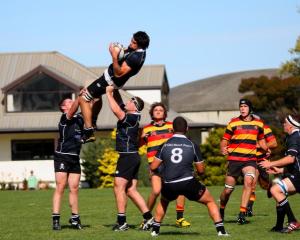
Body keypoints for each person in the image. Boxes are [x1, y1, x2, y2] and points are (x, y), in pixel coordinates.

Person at [150, 116, 228, 237]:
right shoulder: (192, 145)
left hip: (169, 183)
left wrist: (165, 172)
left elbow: (153, 167)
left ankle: (155, 230)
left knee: (164, 201)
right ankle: (221, 231)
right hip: (188, 182)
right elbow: (201, 170)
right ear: (187, 128)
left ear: (172, 129)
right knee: (210, 201)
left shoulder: (164, 145)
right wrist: (197, 174)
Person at [78, 31, 150, 143]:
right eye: (131, 40)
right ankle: (93, 120)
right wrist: (116, 49)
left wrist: (114, 56)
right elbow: (125, 52)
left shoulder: (136, 57)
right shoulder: (137, 50)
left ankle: (88, 131)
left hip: (109, 80)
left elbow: (118, 73)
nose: (130, 43)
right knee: (96, 97)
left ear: (139, 45)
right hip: (111, 79)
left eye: (133, 42)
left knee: (83, 98)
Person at [106, 86, 153, 231]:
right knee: (131, 190)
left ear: (135, 106)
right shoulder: (133, 115)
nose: (128, 101)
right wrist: (116, 89)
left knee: (118, 187)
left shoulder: (131, 117)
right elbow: (119, 103)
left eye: (131, 100)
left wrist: (108, 93)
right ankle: (149, 218)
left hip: (127, 156)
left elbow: (116, 110)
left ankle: (122, 222)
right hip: (132, 156)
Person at [219, 99, 269, 224]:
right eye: (241, 106)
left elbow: (262, 140)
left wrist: (266, 149)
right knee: (228, 190)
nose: (242, 108)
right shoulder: (233, 123)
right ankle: (221, 210)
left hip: (250, 160)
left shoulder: (259, 124)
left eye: (245, 106)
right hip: (234, 160)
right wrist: (222, 148)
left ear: (250, 108)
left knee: (249, 181)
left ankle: (242, 214)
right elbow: (224, 140)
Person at [140, 102, 191, 227]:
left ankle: (180, 218)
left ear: (164, 113)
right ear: (152, 113)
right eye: (155, 110)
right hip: (155, 165)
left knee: (180, 189)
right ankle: (146, 218)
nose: (158, 111)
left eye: (160, 110)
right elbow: (139, 144)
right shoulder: (146, 129)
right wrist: (142, 138)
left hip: (171, 165)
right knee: (156, 191)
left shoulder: (171, 127)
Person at [259, 115, 300, 233]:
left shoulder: (294, 137)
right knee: (279, 194)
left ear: (291, 125)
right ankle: (279, 226)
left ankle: (293, 221)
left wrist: (270, 164)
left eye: (285, 123)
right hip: (296, 173)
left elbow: (291, 159)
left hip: (298, 176)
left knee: (275, 190)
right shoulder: (294, 136)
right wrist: (280, 170)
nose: (283, 124)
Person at [52, 97, 84, 230]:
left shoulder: (79, 119)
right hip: (62, 156)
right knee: (60, 187)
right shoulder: (65, 117)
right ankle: (56, 219)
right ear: (63, 107)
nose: (72, 103)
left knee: (74, 188)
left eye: (72, 101)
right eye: (69, 102)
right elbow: (76, 106)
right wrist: (80, 97)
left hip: (75, 157)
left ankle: (75, 219)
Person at [246, 120, 278, 216]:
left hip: (263, 161)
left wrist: (261, 146)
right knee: (252, 184)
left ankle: (275, 190)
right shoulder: (247, 130)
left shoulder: (265, 129)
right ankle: (249, 209)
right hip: (252, 160)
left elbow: (274, 143)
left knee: (265, 185)